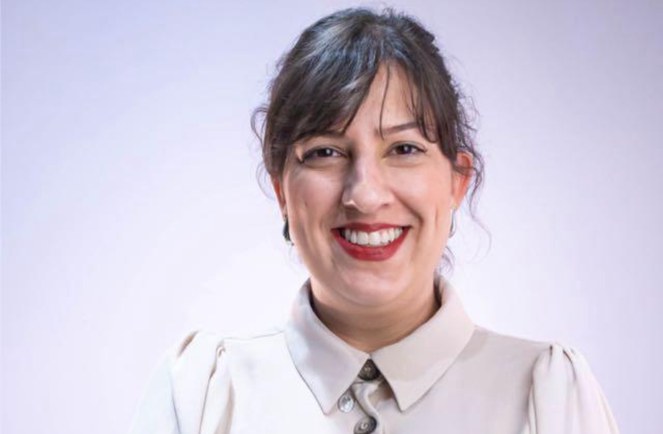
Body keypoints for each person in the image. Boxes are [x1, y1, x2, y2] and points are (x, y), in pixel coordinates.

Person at [129, 8, 619, 434]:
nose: (364, 195)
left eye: (404, 149)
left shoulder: (545, 395)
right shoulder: (203, 393)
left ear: (457, 181)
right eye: (325, 152)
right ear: (281, 191)